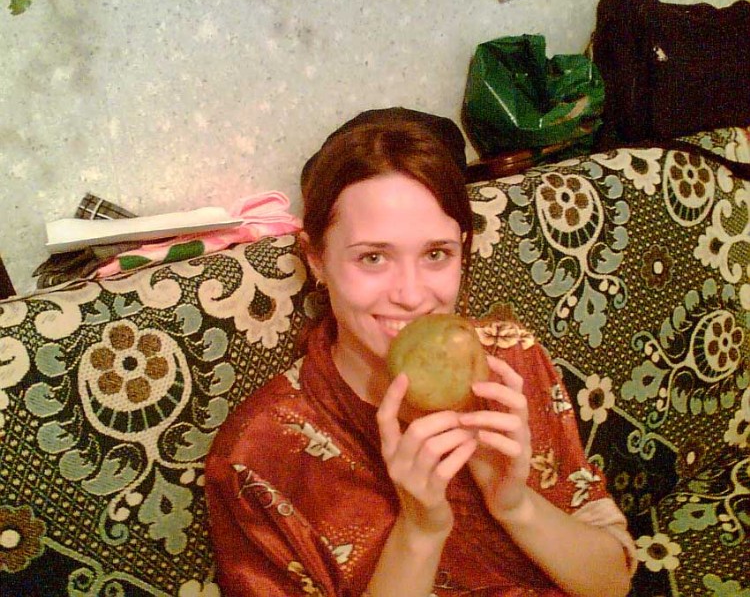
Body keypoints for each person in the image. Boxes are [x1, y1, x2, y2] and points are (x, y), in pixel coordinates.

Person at [205, 108, 636, 596]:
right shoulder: (257, 454)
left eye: (436, 254)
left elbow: (612, 583)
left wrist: (515, 505)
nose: (411, 296)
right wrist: (419, 532)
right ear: (317, 259)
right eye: (373, 257)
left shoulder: (509, 360)